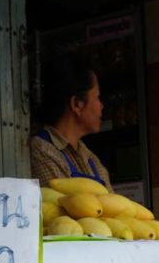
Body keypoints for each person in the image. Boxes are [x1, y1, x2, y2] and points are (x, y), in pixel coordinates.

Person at [29, 52, 112, 191]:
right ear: (77, 104)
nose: (101, 105)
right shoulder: (41, 151)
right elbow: (61, 205)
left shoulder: (91, 160)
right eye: (97, 97)